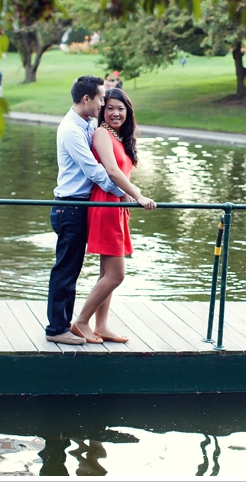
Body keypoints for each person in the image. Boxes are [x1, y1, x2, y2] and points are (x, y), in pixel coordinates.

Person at [46, 77, 149, 345]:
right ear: (87, 100)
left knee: (88, 271)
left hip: (89, 204)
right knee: (67, 270)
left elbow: (110, 162)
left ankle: (95, 325)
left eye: (116, 105)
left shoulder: (90, 123)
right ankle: (61, 327)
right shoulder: (72, 130)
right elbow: (99, 171)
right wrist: (130, 193)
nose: (107, 106)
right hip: (72, 205)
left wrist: (123, 193)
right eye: (103, 100)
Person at [71, 88, 155, 344]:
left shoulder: (119, 137)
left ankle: (102, 325)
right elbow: (111, 171)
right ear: (102, 111)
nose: (116, 113)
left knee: (106, 274)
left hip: (117, 206)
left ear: (128, 111)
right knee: (117, 275)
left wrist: (128, 197)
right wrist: (138, 194)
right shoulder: (101, 134)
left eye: (121, 108)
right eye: (110, 108)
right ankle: (81, 322)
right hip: (105, 206)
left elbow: (121, 173)